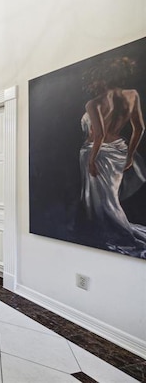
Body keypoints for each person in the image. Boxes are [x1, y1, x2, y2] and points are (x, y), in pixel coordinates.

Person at [79, 56, 146, 258]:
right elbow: (139, 128)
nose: (93, 84)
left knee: (100, 200)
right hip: (119, 150)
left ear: (103, 78)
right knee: (110, 199)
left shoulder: (94, 103)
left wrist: (92, 159)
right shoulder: (132, 95)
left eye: (95, 80)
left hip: (96, 152)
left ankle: (113, 235)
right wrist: (130, 155)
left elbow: (98, 135)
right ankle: (111, 233)